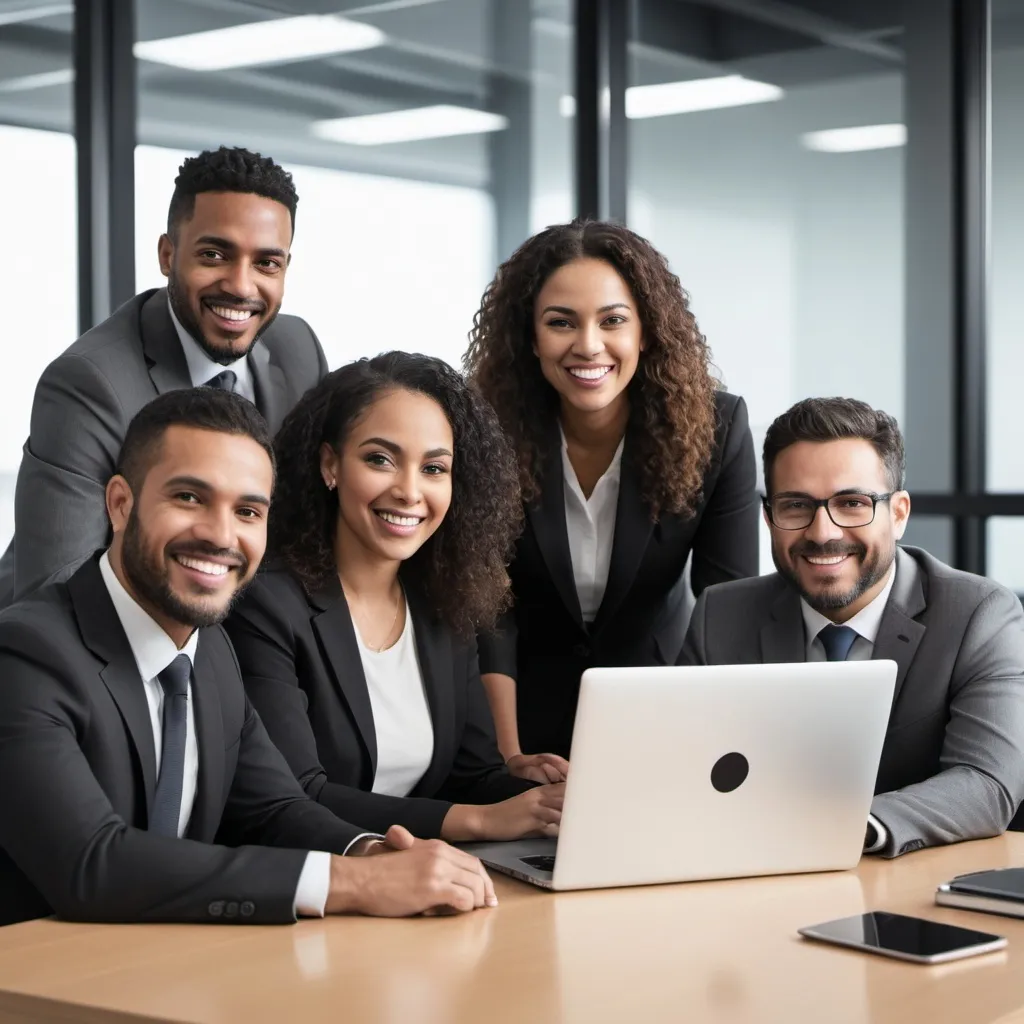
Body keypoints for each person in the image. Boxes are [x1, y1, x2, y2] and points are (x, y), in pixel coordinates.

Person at [0, 388, 496, 927]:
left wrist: (375, 854)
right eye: (189, 497)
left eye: (247, 511)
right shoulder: (26, 655)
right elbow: (91, 864)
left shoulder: (207, 647)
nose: (221, 536)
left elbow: (274, 809)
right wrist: (353, 882)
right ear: (120, 503)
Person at [224, 353, 564, 841]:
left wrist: (532, 792)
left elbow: (469, 776)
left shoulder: (443, 606)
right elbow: (298, 795)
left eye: (434, 468)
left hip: (422, 879)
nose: (409, 491)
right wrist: (481, 820)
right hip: (318, 883)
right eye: (380, 459)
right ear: (330, 465)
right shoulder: (266, 606)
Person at [464, 219, 759, 765]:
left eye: (613, 321)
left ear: (645, 331)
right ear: (529, 336)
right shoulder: (485, 430)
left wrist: (708, 747)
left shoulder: (717, 431)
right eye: (561, 323)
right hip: (518, 721)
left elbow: (729, 605)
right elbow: (488, 611)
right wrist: (504, 761)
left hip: (667, 716)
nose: (588, 346)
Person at [678, 397, 1024, 857]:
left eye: (853, 503)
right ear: (769, 518)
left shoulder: (979, 614)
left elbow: (987, 783)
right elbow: (682, 767)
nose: (822, 532)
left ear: (898, 514)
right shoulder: (720, 614)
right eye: (796, 505)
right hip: (752, 880)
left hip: (911, 892)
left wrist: (843, 827)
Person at [0, 146, 328, 607]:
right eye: (214, 254)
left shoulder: (300, 351)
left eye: (266, 263)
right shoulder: (89, 384)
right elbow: (55, 593)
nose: (241, 285)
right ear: (168, 254)